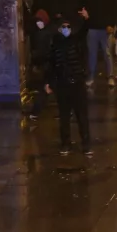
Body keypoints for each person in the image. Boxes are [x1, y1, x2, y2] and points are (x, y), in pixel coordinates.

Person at [47, 16, 92, 156]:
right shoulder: (55, 44)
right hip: (63, 85)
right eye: (63, 27)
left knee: (82, 116)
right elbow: (51, 65)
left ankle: (86, 144)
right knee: (64, 117)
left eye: (68, 26)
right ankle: (65, 144)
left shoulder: (76, 40)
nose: (66, 29)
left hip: (77, 83)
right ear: (59, 29)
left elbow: (84, 31)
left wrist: (86, 19)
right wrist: (49, 82)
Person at [80, 0, 117, 87]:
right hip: (92, 27)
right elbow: (83, 5)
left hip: (106, 28)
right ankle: (91, 76)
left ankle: (110, 76)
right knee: (92, 53)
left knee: (108, 53)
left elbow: (114, 9)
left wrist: (112, 24)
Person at [28, 10, 55, 121]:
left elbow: (42, 51)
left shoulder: (44, 34)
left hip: (48, 65)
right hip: (48, 65)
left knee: (45, 89)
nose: (38, 23)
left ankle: (35, 112)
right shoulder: (44, 32)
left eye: (40, 21)